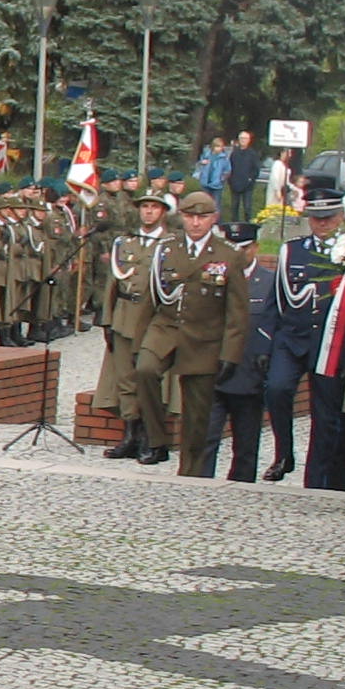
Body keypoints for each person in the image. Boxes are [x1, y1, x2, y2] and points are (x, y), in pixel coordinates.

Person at [142, 191, 249, 478]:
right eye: (190, 216)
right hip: (166, 328)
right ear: (181, 217)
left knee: (197, 414)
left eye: (202, 217)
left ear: (214, 218)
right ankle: (156, 440)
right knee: (145, 370)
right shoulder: (167, 248)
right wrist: (138, 338)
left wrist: (230, 354)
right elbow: (150, 297)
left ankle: (191, 471)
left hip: (204, 338)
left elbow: (237, 311)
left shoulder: (229, 254)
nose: (196, 223)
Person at [266, 194, 342, 485]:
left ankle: (316, 477)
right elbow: (277, 299)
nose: (322, 224)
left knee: (325, 414)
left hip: (328, 341)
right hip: (292, 336)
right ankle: (284, 453)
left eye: (328, 218)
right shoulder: (292, 250)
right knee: (277, 389)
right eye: (316, 218)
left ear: (340, 217)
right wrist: (266, 341)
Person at [101, 189, 171, 463]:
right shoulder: (124, 242)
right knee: (125, 378)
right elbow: (113, 283)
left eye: (154, 207)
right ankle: (130, 434)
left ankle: (149, 436)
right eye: (144, 207)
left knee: (148, 376)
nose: (149, 211)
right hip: (124, 314)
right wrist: (107, 319)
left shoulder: (170, 244)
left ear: (163, 212)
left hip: (153, 317)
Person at [212, 257, 281, 482]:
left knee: (246, 445)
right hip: (213, 369)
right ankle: (199, 485)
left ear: (254, 248)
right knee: (204, 440)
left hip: (249, 372)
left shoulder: (270, 281)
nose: (238, 252)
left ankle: (241, 488)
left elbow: (275, 325)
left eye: (244, 247)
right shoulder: (212, 275)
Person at [223, 130, 262, 242]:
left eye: (245, 139)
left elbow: (256, 169)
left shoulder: (252, 154)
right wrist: (230, 180)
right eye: (241, 139)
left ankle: (248, 227)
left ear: (249, 140)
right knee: (234, 206)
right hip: (234, 183)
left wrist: (251, 179)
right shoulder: (234, 153)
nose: (243, 141)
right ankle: (234, 229)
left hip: (248, 185)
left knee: (247, 207)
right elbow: (229, 167)